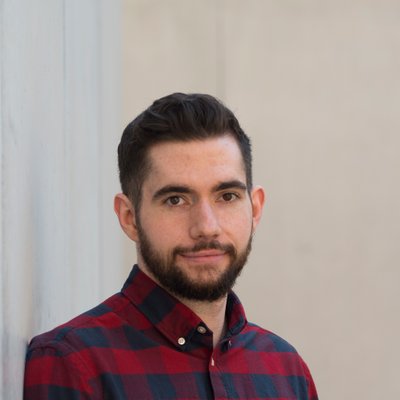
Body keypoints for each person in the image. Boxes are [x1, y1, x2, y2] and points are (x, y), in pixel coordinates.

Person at [24, 93, 318, 399]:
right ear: (129, 218)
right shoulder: (73, 363)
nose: (206, 226)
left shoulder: (287, 372)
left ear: (255, 209)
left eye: (227, 196)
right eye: (175, 200)